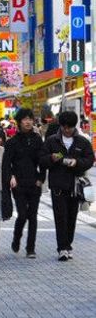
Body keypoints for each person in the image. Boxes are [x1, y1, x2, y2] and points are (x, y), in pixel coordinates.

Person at [44, 110, 94, 261]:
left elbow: (90, 159)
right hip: (58, 185)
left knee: (72, 218)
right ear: (60, 126)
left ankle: (68, 245)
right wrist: (51, 158)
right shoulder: (52, 140)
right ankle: (62, 248)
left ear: (74, 126)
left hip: (75, 186)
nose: (66, 130)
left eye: (69, 127)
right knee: (60, 217)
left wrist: (77, 162)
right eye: (64, 127)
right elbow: (42, 159)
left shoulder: (82, 141)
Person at [4, 108, 46, 257]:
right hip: (18, 183)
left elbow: (42, 161)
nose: (28, 122)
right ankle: (17, 237)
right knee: (22, 215)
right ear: (19, 122)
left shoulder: (37, 139)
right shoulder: (12, 142)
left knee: (33, 217)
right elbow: (6, 163)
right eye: (24, 119)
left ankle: (30, 248)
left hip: (34, 182)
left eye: (30, 119)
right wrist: (11, 177)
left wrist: (41, 179)